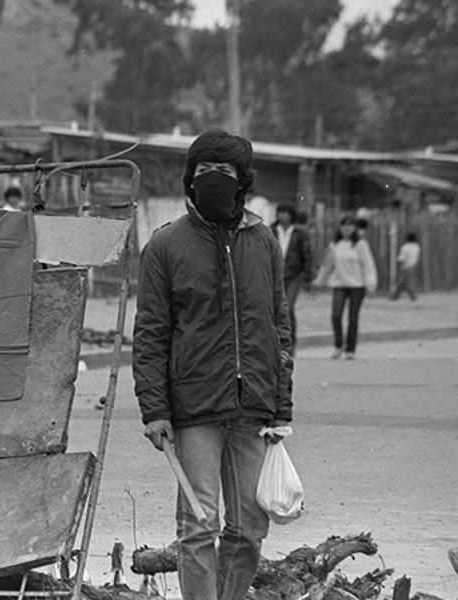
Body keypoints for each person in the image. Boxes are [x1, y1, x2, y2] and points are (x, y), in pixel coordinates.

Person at [132, 128, 294, 600]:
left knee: (249, 530)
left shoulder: (264, 242)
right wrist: (154, 409)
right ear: (189, 180)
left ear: (243, 182)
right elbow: (151, 335)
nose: (213, 180)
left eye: (224, 173)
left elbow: (278, 326)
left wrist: (281, 406)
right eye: (203, 172)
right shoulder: (164, 247)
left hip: (254, 410)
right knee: (199, 527)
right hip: (193, 411)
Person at [313, 215, 378, 359]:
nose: (347, 229)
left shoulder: (361, 245)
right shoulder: (334, 244)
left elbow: (368, 265)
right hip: (339, 285)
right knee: (336, 316)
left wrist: (370, 283)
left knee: (353, 319)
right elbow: (327, 265)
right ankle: (338, 345)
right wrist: (319, 281)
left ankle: (350, 349)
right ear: (340, 228)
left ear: (355, 228)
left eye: (350, 226)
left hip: (357, 286)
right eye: (344, 226)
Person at [271, 204, 314, 353]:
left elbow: (307, 254)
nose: (282, 216)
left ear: (291, 215)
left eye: (285, 213)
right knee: (273, 309)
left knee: (288, 308)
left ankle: (290, 344)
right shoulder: (270, 231)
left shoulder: (299, 233)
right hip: (274, 274)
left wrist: (308, 276)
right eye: (280, 213)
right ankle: (275, 344)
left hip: (293, 274)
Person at [391, 232, 421, 301]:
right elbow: (417, 257)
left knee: (401, 283)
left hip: (405, 267)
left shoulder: (405, 247)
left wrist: (398, 261)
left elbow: (402, 258)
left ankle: (395, 296)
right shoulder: (417, 247)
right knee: (408, 283)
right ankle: (396, 296)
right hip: (413, 267)